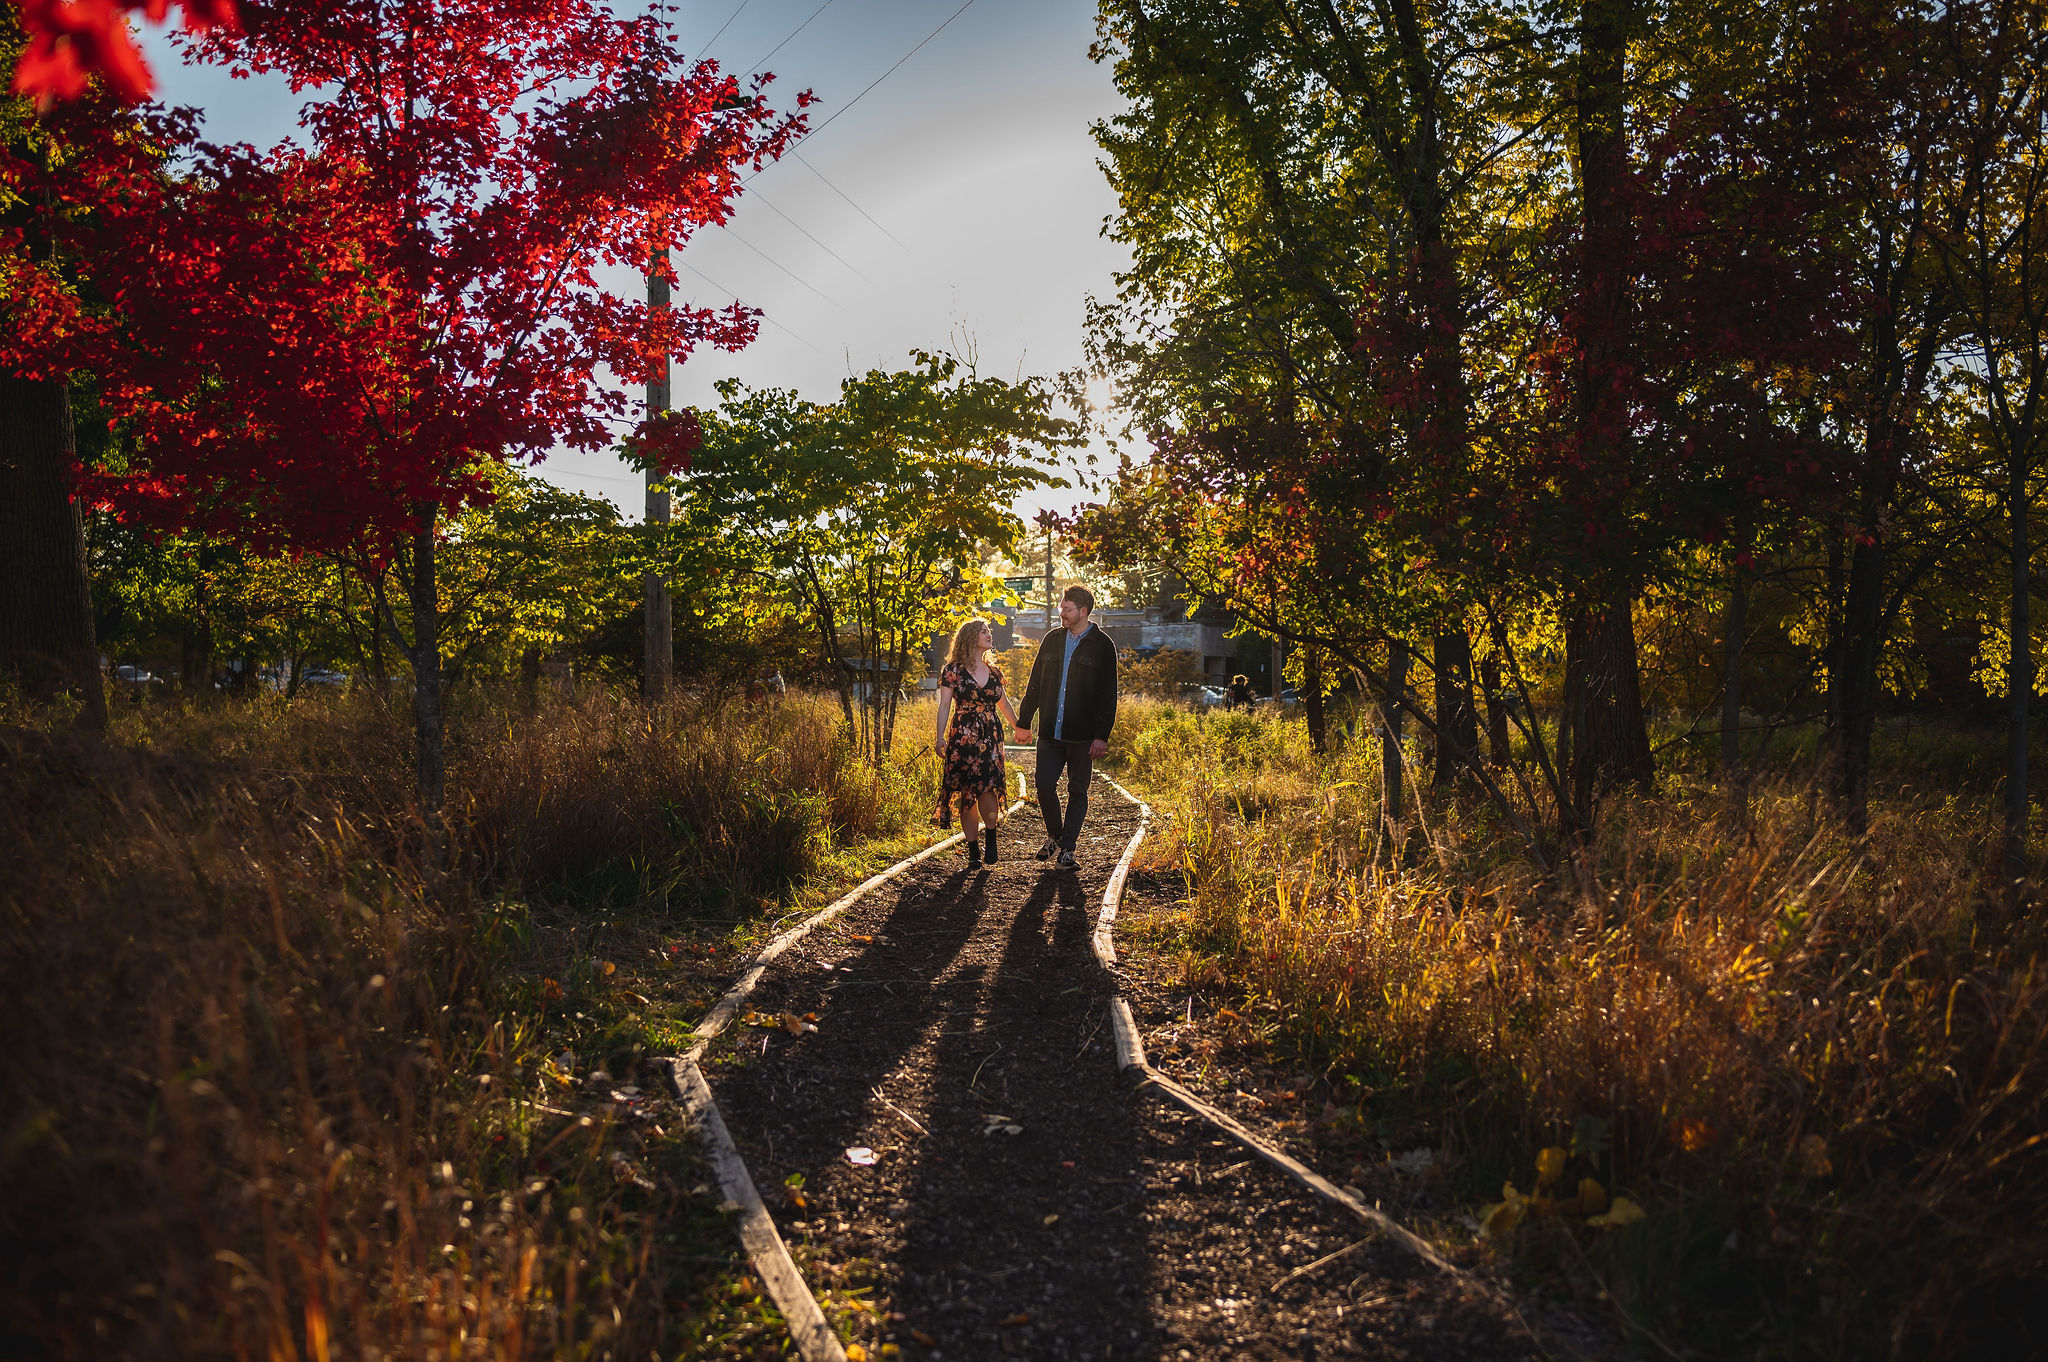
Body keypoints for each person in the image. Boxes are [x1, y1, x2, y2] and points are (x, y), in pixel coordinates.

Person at [1014, 584, 1118, 870]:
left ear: (1083, 611)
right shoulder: (1052, 640)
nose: (1061, 613)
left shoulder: (1103, 645)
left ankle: (1067, 849)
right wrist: (1024, 722)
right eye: (1061, 607)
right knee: (1044, 785)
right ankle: (1055, 835)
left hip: (1083, 735)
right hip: (1050, 731)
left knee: (1077, 790)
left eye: (1067, 609)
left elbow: (1109, 695)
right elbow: (1034, 684)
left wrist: (1101, 736)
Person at [933, 617, 1021, 868]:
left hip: (991, 737)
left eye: (988, 631)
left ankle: (991, 840)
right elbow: (944, 706)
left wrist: (1019, 728)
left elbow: (1004, 704)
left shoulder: (995, 672)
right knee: (967, 791)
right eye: (984, 632)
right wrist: (939, 737)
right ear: (971, 637)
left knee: (988, 786)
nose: (989, 635)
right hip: (963, 736)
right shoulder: (953, 671)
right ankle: (973, 852)